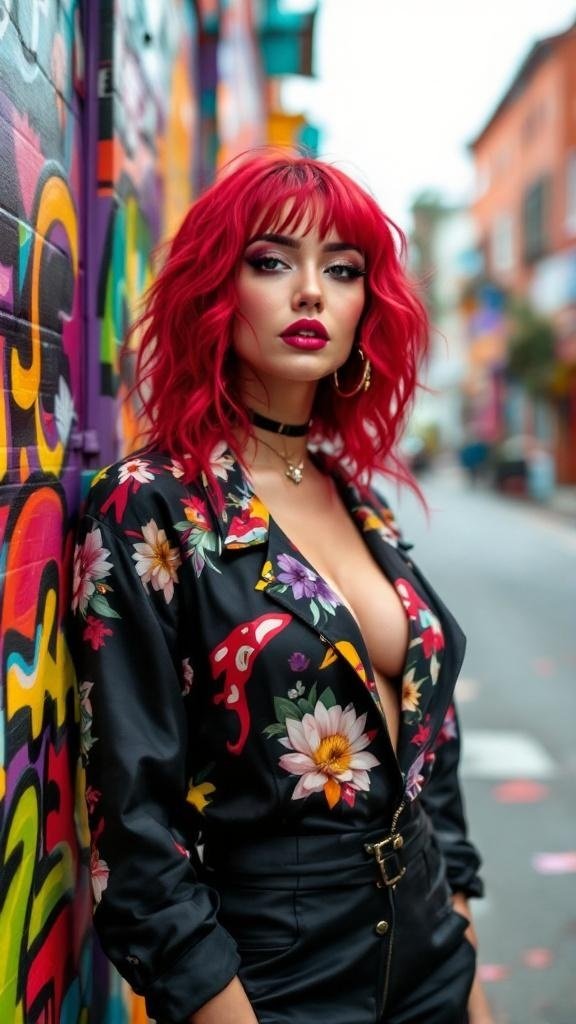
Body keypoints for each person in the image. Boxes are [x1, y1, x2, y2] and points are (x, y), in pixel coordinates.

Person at [70, 153, 492, 1024]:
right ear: (216, 289)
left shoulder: (358, 498)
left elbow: (428, 736)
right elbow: (129, 815)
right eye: (272, 262)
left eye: (342, 270)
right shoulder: (154, 507)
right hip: (275, 981)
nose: (311, 293)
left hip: (431, 959)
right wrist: (219, 1004)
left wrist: (456, 925)